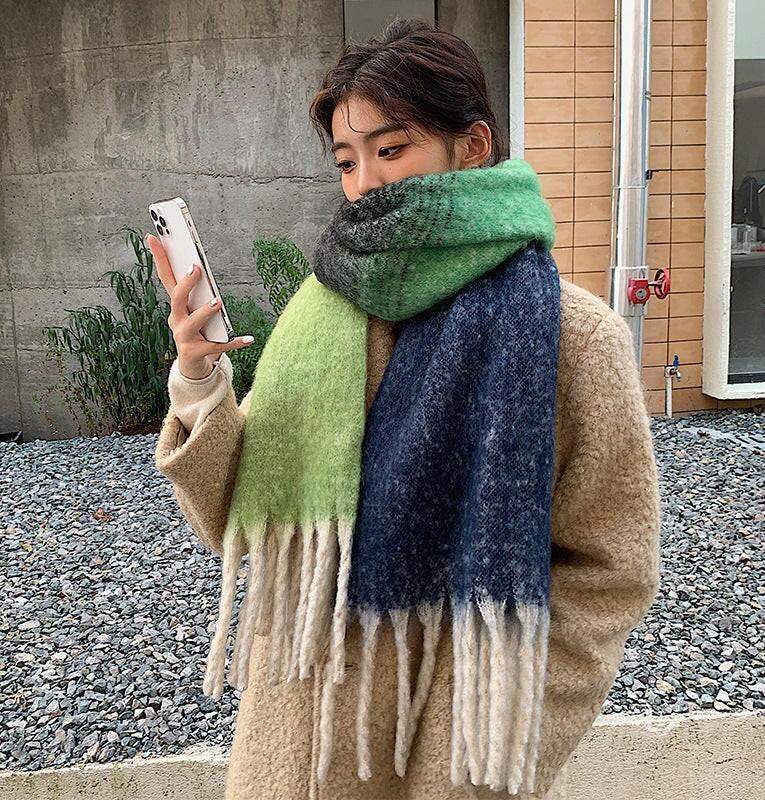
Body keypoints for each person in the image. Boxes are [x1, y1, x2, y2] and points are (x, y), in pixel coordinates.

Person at [151, 17, 661, 800]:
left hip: (452, 751)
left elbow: (610, 571)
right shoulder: (325, 317)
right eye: (346, 161)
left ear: (473, 145)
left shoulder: (569, 333)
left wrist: (482, 751)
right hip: (296, 747)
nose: (364, 183)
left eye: (391, 150)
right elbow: (236, 520)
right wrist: (198, 380)